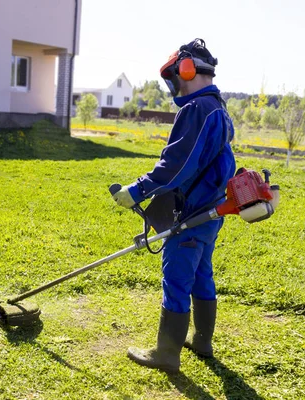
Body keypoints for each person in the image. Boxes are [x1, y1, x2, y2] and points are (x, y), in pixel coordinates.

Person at [112, 38, 236, 373]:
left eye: (173, 77)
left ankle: (166, 354)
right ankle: (203, 341)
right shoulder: (219, 109)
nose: (173, 85)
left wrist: (137, 190)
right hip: (210, 212)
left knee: (178, 277)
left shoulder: (196, 110)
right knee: (201, 274)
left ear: (187, 69)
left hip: (192, 212)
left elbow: (176, 166)